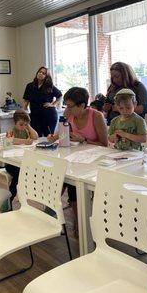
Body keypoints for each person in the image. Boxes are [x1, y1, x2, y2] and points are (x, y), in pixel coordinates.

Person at [47, 87, 108, 232]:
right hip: (76, 157)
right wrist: (53, 137)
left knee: (71, 182)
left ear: (81, 105)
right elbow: (61, 133)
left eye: (70, 106)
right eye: (66, 105)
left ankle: (79, 221)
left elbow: (104, 145)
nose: (67, 109)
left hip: (93, 162)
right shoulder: (70, 114)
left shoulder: (96, 116)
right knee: (58, 175)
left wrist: (84, 140)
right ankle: (49, 208)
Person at [0, 110, 38, 213]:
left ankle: (19, 198)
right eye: (21, 124)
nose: (23, 127)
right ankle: (8, 200)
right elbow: (9, 141)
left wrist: (28, 126)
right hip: (11, 163)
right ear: (14, 123)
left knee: (24, 175)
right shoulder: (11, 131)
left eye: (25, 124)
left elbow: (35, 137)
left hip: (23, 162)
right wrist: (25, 141)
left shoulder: (26, 130)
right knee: (19, 176)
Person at [22, 67, 62, 136]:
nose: (40, 74)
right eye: (40, 72)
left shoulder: (50, 86)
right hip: (35, 116)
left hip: (49, 115)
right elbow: (26, 100)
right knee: (36, 137)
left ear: (46, 76)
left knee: (49, 137)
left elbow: (60, 96)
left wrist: (53, 104)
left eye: (43, 73)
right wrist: (25, 111)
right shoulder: (30, 86)